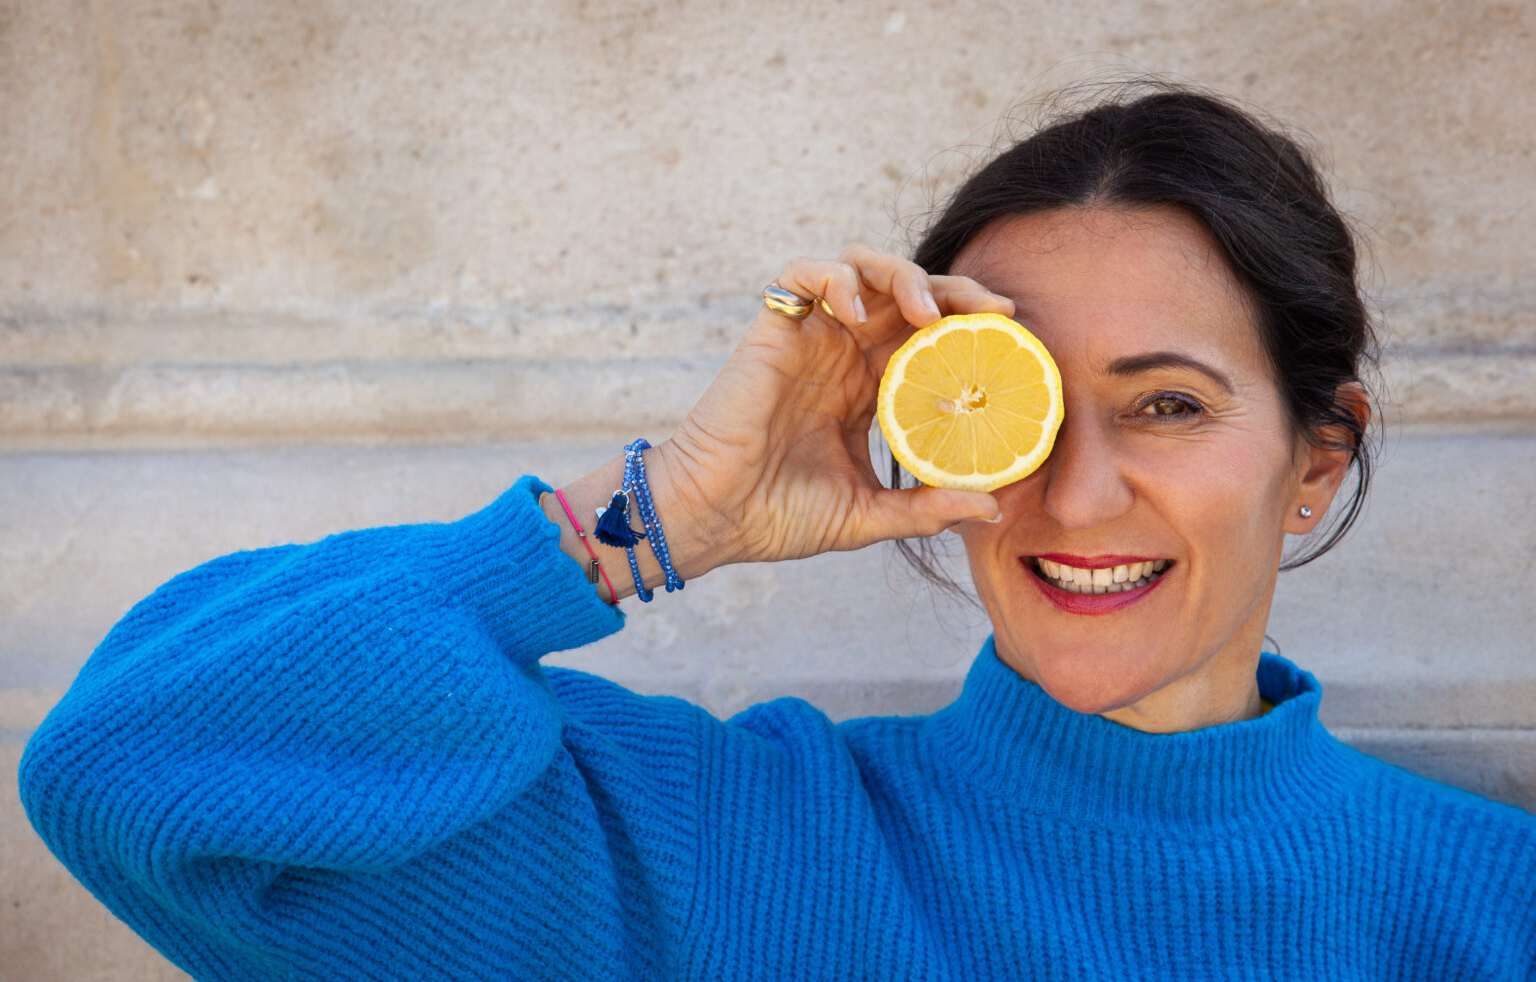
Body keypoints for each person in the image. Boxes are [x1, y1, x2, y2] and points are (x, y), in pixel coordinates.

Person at [19, 85, 1536, 981]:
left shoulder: (1494, 907)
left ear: (1318, 455)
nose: (1075, 498)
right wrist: (659, 515)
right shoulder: (713, 850)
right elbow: (133, 766)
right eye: (1012, 410)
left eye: (1167, 407)